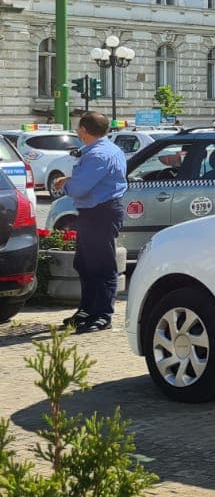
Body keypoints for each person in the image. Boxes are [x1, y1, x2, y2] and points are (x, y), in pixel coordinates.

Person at [57, 111, 128, 334]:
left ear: (83, 130)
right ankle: (87, 310)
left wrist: (65, 185)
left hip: (100, 213)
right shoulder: (109, 149)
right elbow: (93, 179)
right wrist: (72, 180)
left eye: (78, 128)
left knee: (102, 266)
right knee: (85, 264)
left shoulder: (98, 154)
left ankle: (103, 314)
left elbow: (79, 188)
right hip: (95, 212)